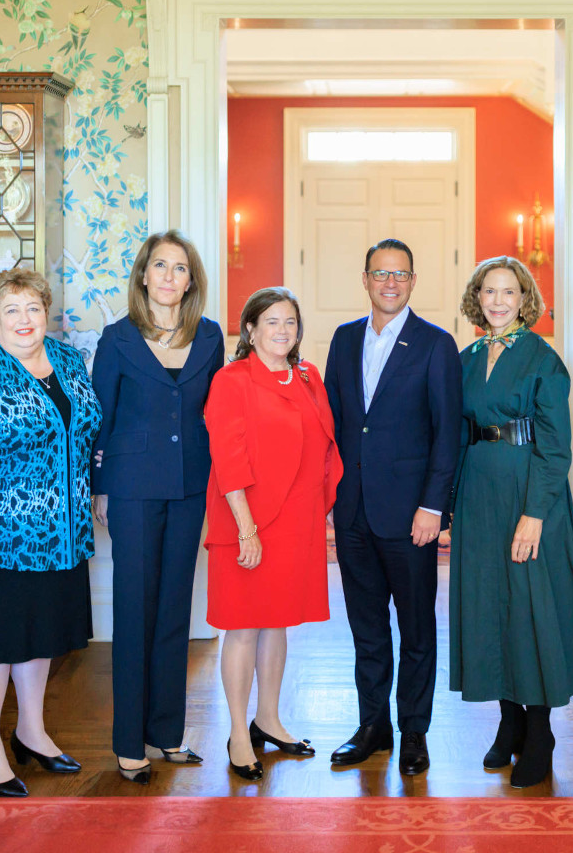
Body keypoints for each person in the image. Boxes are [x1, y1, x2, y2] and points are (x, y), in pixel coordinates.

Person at [0, 268, 102, 798]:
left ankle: (31, 731)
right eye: (11, 310)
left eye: (32, 307)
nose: (25, 319)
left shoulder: (69, 359)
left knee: (41, 634)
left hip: (60, 535)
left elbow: (86, 432)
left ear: (46, 311)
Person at [450, 256, 573, 788]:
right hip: (478, 492)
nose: (498, 301)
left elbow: (557, 448)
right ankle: (508, 722)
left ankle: (540, 730)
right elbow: (455, 433)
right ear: (477, 297)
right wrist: (449, 506)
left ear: (524, 300)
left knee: (531, 609)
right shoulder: (466, 357)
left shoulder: (544, 358)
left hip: (528, 492)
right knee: (492, 605)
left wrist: (534, 515)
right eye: (489, 291)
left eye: (508, 292)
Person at [323, 239, 463, 776]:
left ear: (412, 282)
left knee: (417, 629)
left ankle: (415, 732)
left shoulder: (434, 344)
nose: (390, 283)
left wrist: (434, 507)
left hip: (411, 517)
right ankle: (372, 725)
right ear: (365, 279)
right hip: (353, 510)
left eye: (400, 275)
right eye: (381, 273)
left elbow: (447, 434)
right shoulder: (341, 340)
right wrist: (331, 497)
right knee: (366, 628)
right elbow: (335, 425)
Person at [91, 230, 222, 783]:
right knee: (135, 610)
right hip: (132, 487)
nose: (170, 276)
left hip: (192, 485)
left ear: (192, 281)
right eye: (160, 266)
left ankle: (167, 734)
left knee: (175, 610)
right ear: (143, 274)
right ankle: (128, 741)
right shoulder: (117, 338)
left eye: (181, 268)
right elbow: (100, 415)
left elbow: (221, 412)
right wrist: (98, 485)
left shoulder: (211, 336)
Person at [204, 287, 341, 781]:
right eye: (272, 322)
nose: (283, 331)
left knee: (277, 622)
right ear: (251, 330)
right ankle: (240, 733)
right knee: (243, 626)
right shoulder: (231, 379)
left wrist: (321, 512)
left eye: (290, 323)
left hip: (295, 522)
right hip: (248, 521)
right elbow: (228, 457)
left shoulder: (307, 376)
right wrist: (246, 529)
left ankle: (269, 718)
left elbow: (324, 447)